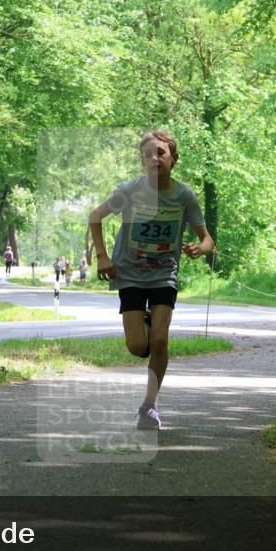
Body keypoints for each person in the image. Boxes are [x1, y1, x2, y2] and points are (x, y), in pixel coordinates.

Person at [88, 129, 214, 430]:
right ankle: (144, 323)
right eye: (148, 155)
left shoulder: (184, 196)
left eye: (161, 153)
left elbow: (208, 239)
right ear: (142, 161)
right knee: (136, 346)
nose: (155, 159)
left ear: (174, 158)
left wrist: (200, 248)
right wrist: (103, 257)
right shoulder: (129, 191)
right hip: (129, 274)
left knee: (159, 341)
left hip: (163, 275)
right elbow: (95, 217)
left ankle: (149, 406)